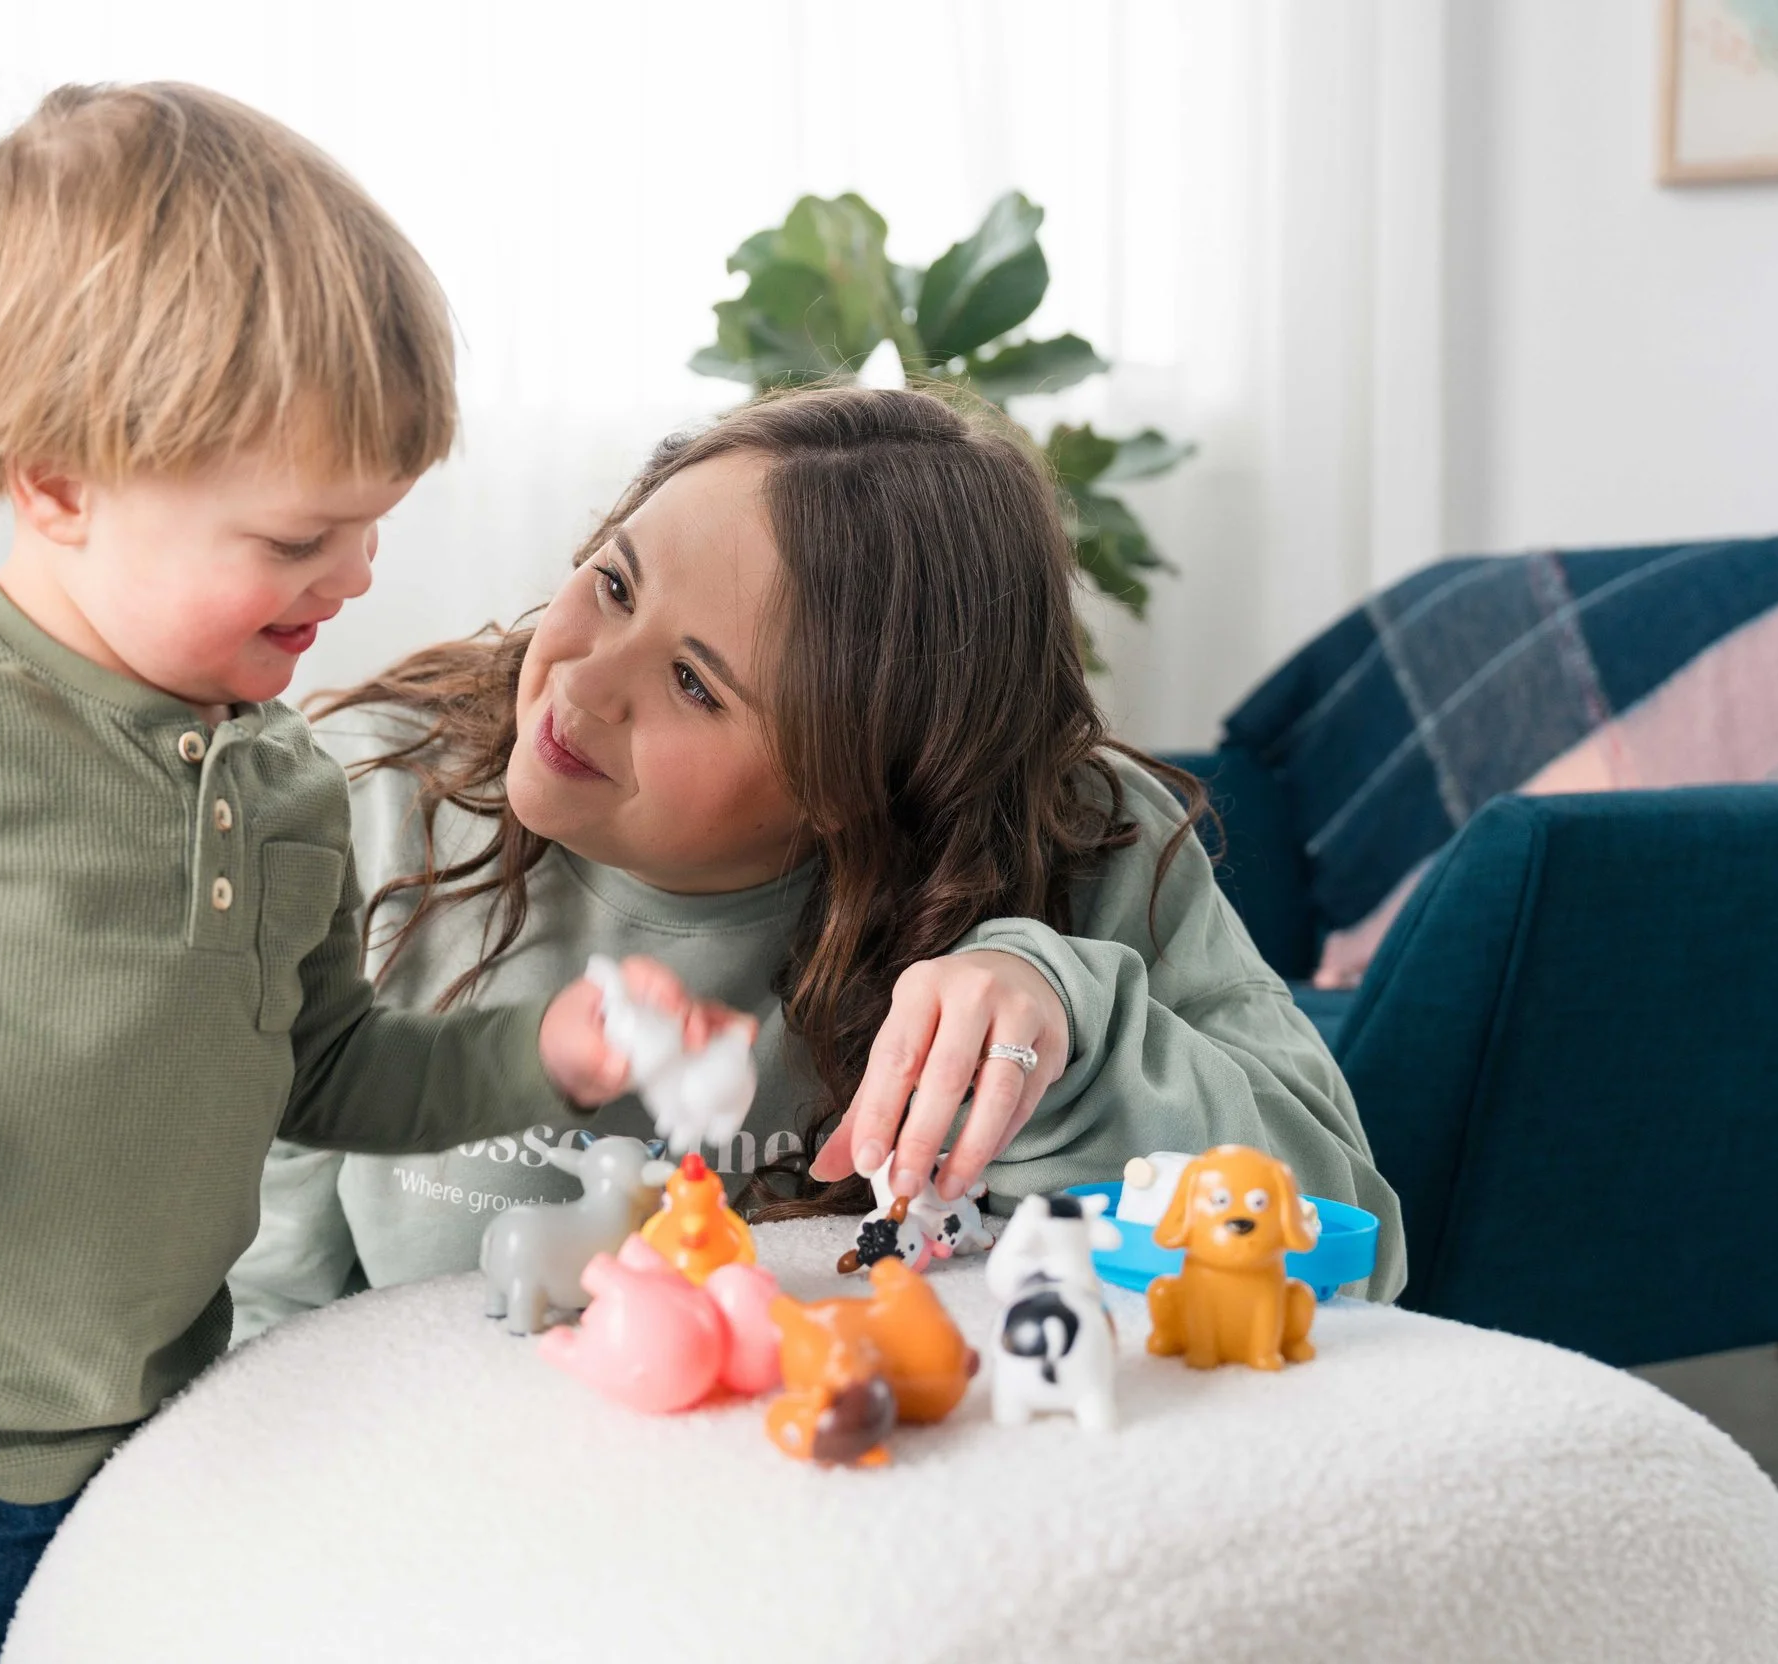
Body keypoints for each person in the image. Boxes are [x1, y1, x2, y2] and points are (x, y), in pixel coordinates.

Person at [0, 83, 729, 1664]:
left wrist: (553, 1052)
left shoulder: (290, 779)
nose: (357, 575)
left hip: (149, 1448)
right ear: (57, 484)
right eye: (297, 537)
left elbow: (327, 1069)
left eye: (374, 525)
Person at [231, 383, 1406, 1343]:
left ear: (862, 786)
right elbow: (253, 1303)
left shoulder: (1075, 843)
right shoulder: (367, 804)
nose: (581, 679)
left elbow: (1355, 1246)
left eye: (695, 681)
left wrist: (1070, 1027)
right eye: (614, 582)